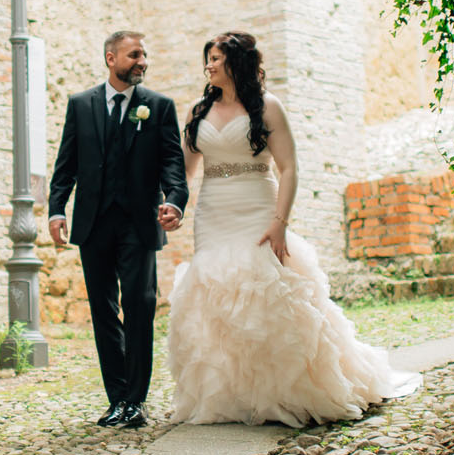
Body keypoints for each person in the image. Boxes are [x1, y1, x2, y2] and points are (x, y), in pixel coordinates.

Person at [166, 30, 421, 425]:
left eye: (217, 58)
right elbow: (184, 170)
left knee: (265, 293)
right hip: (213, 212)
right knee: (217, 294)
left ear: (238, 64)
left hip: (257, 206)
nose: (209, 65)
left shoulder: (268, 107)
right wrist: (172, 205)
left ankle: (285, 390)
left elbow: (288, 168)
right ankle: (234, 394)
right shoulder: (197, 111)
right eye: (209, 58)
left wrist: (279, 223)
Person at [48, 30, 189, 429]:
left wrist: (175, 202)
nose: (142, 61)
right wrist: (57, 209)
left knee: (140, 306)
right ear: (111, 58)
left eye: (145, 54)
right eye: (134, 55)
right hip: (93, 223)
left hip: (139, 224)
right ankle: (117, 399)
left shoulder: (158, 107)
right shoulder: (80, 104)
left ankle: (136, 401)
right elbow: (66, 164)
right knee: (104, 310)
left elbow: (172, 166)